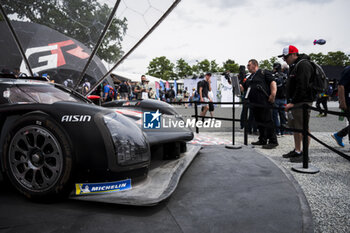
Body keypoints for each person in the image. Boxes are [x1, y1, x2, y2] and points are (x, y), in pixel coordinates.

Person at [279, 45, 315, 162]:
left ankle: (304, 154)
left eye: (286, 56)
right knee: (295, 127)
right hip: (296, 102)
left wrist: (293, 102)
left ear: (294, 54)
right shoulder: (295, 65)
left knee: (302, 127)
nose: (284, 59)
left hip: (302, 102)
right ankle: (297, 150)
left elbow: (302, 86)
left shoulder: (303, 64)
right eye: (284, 57)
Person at [245, 59, 278, 149]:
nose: (247, 67)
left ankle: (273, 141)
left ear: (254, 65)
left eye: (249, 65)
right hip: (255, 103)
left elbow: (273, 82)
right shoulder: (251, 76)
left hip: (264, 102)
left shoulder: (263, 72)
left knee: (267, 121)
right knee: (259, 121)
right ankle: (262, 139)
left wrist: (273, 94)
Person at [331, 66, 350, 147]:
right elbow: (340, 86)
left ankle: (339, 135)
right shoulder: (348, 70)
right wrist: (342, 102)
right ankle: (339, 135)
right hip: (348, 101)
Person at [272, 62, 288, 136]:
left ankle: (277, 131)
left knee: (275, 116)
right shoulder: (285, 75)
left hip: (276, 98)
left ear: (275, 68)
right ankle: (283, 132)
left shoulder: (274, 76)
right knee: (282, 115)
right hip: (284, 98)